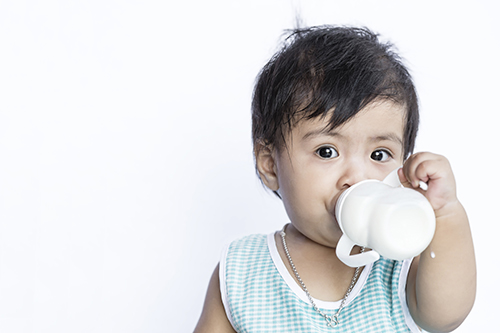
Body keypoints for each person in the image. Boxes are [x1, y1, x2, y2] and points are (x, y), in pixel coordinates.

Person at [194, 25, 476, 332]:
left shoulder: (401, 260)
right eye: (327, 151)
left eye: (379, 155)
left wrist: (445, 213)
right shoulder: (243, 270)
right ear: (270, 165)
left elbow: (445, 316)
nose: (356, 177)